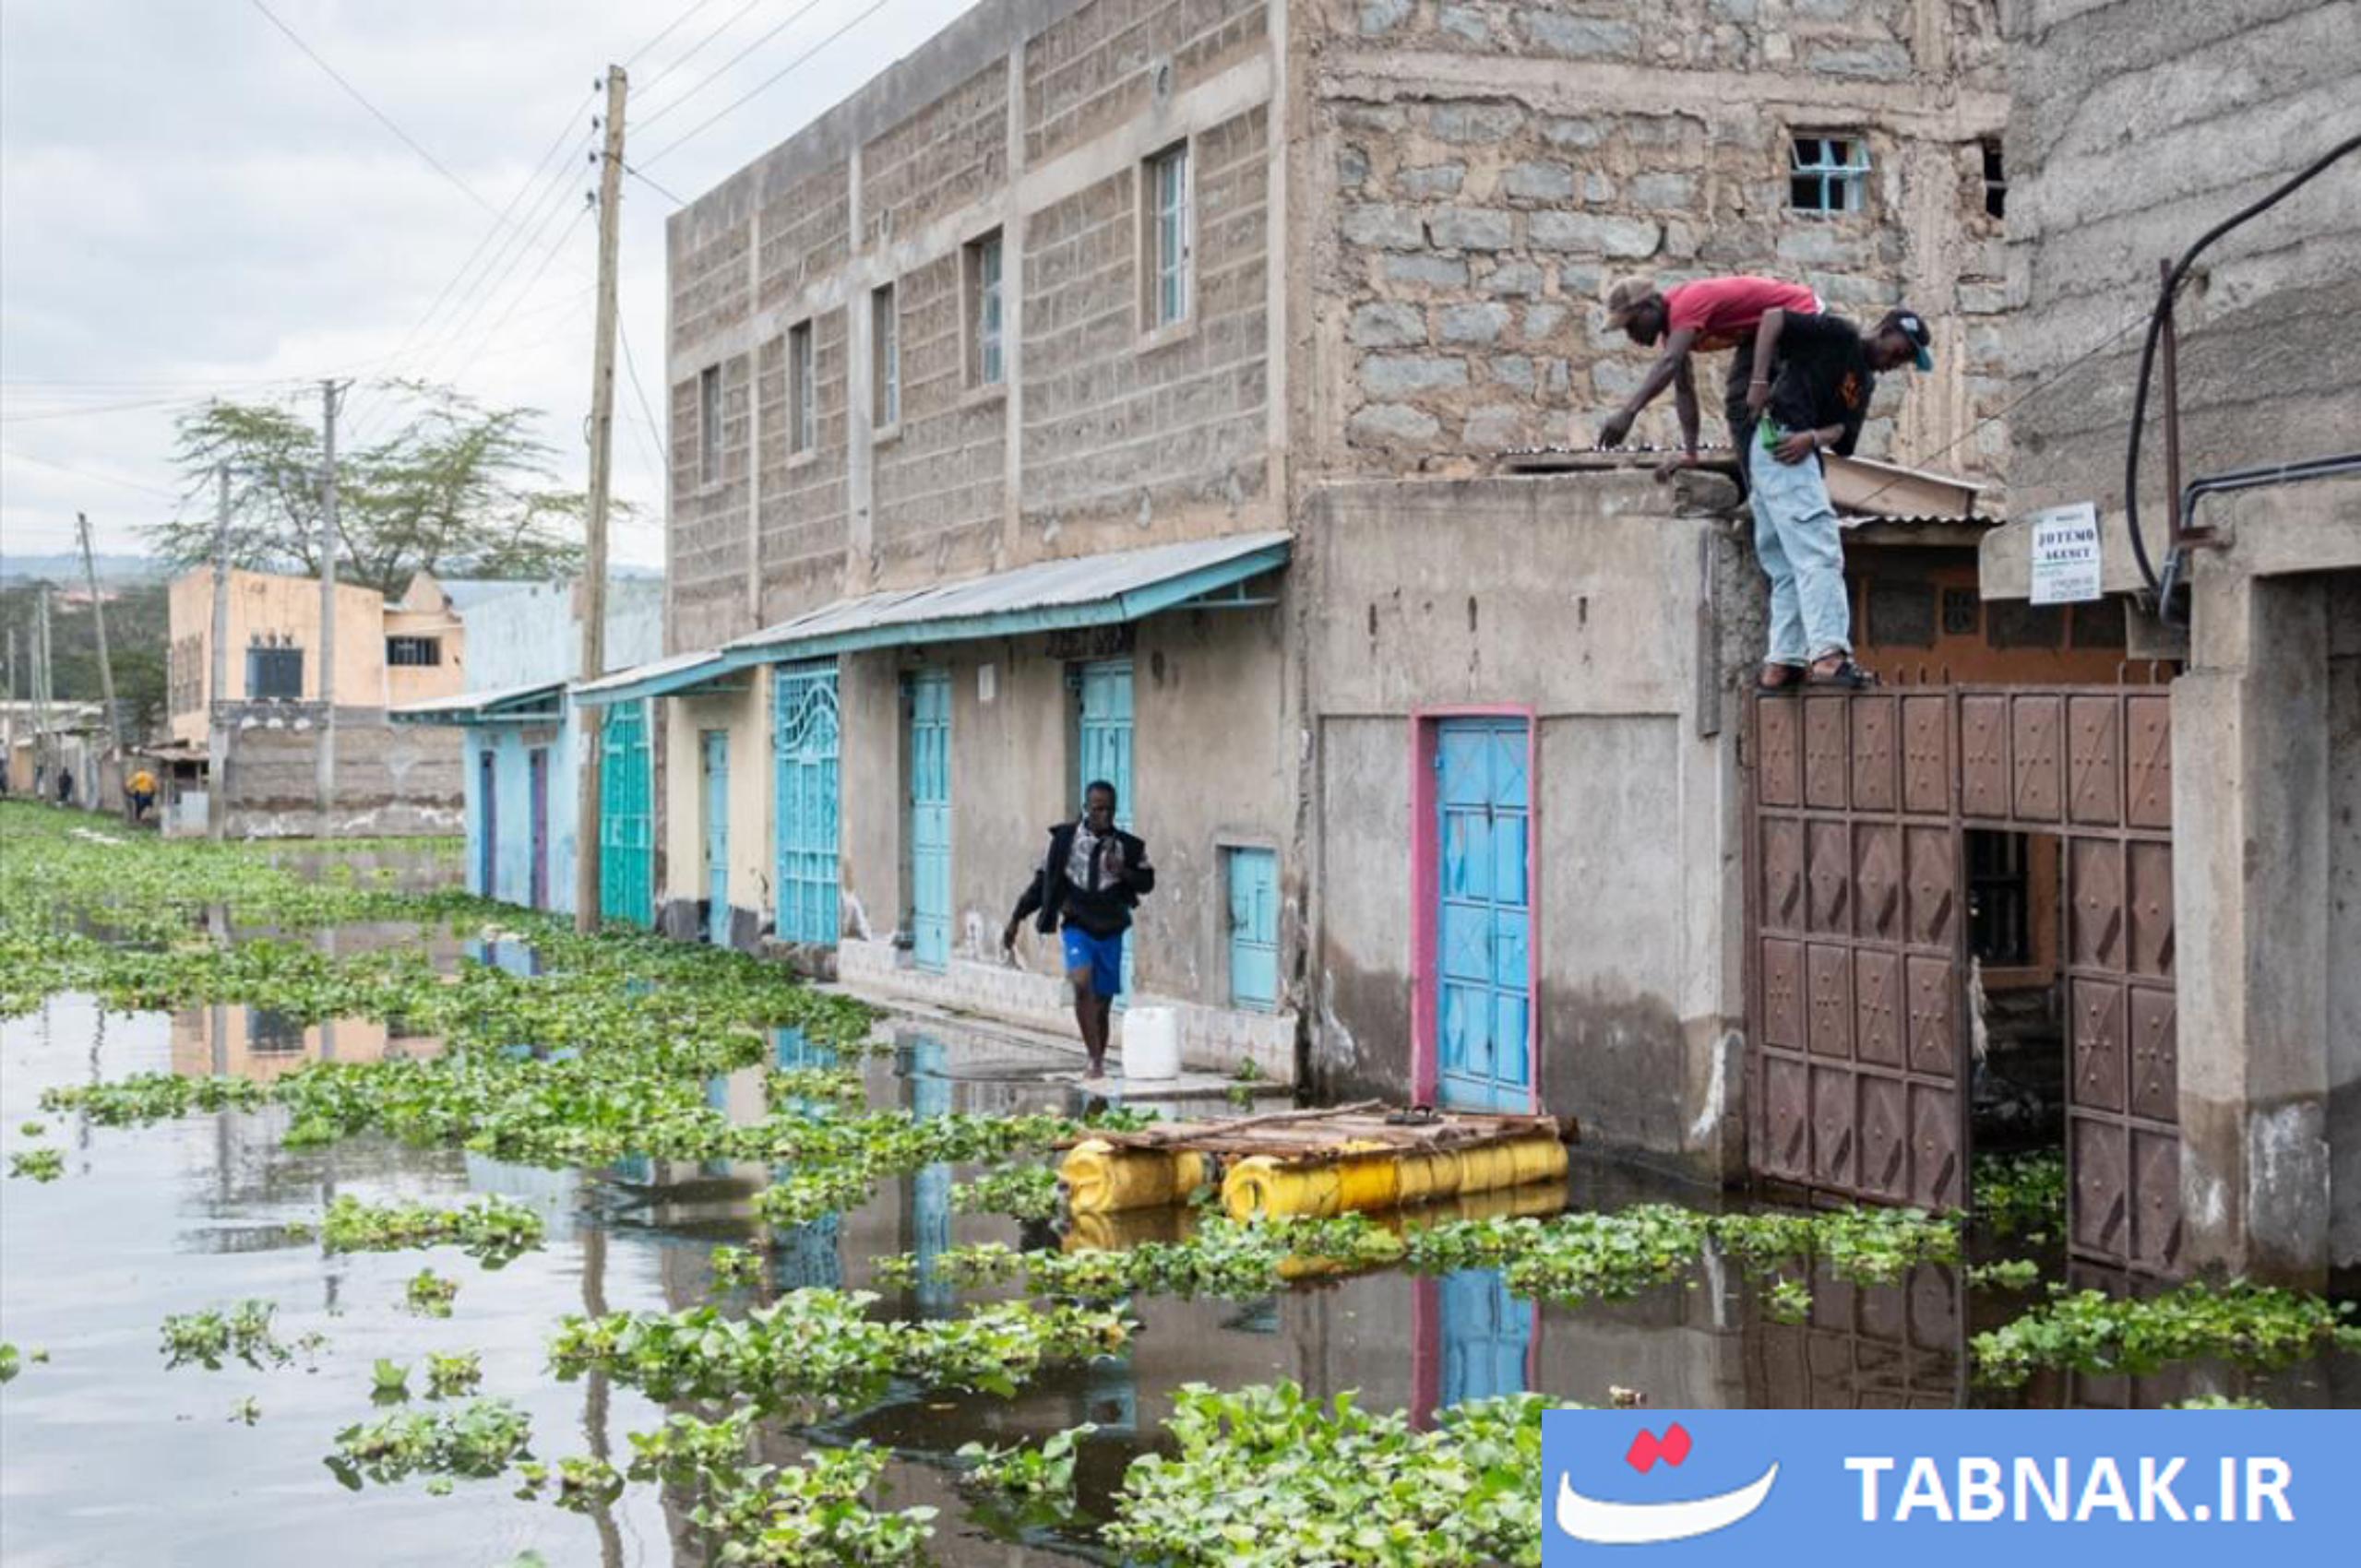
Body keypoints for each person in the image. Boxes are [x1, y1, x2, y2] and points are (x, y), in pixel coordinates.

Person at [1747, 307, 1935, 691]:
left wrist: (1813, 438)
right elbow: (1772, 318)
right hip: (1781, 443)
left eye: (1907, 360)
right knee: (1820, 551)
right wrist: (1758, 380)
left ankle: (1781, 662)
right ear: (1884, 330)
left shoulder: (1863, 383)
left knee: (1786, 565)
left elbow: (1844, 437)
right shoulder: (1840, 334)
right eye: (1902, 349)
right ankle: (1829, 656)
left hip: (1795, 449)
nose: (1899, 361)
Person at [1592, 274, 1823, 490]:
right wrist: (1690, 453)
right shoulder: (1673, 332)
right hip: (1760, 334)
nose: (1632, 336)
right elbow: (1684, 389)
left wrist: (1628, 412)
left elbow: (1669, 363)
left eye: (1632, 325)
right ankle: (1757, 493)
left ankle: (1802, 486)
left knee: (1783, 403)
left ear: (1650, 306)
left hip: (1799, 314)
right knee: (1740, 407)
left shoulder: (1686, 304)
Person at [1003, 780, 1156, 1080]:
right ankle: (1094, 1059)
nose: (1105, 815)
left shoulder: (1128, 846)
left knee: (1102, 1003)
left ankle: (1098, 1051)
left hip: (1111, 927)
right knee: (1082, 982)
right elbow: (1041, 884)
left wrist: (1122, 870)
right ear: (1086, 809)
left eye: (1110, 809)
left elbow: (1147, 882)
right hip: (1077, 924)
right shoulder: (1064, 841)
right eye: (1098, 809)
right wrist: (1016, 917)